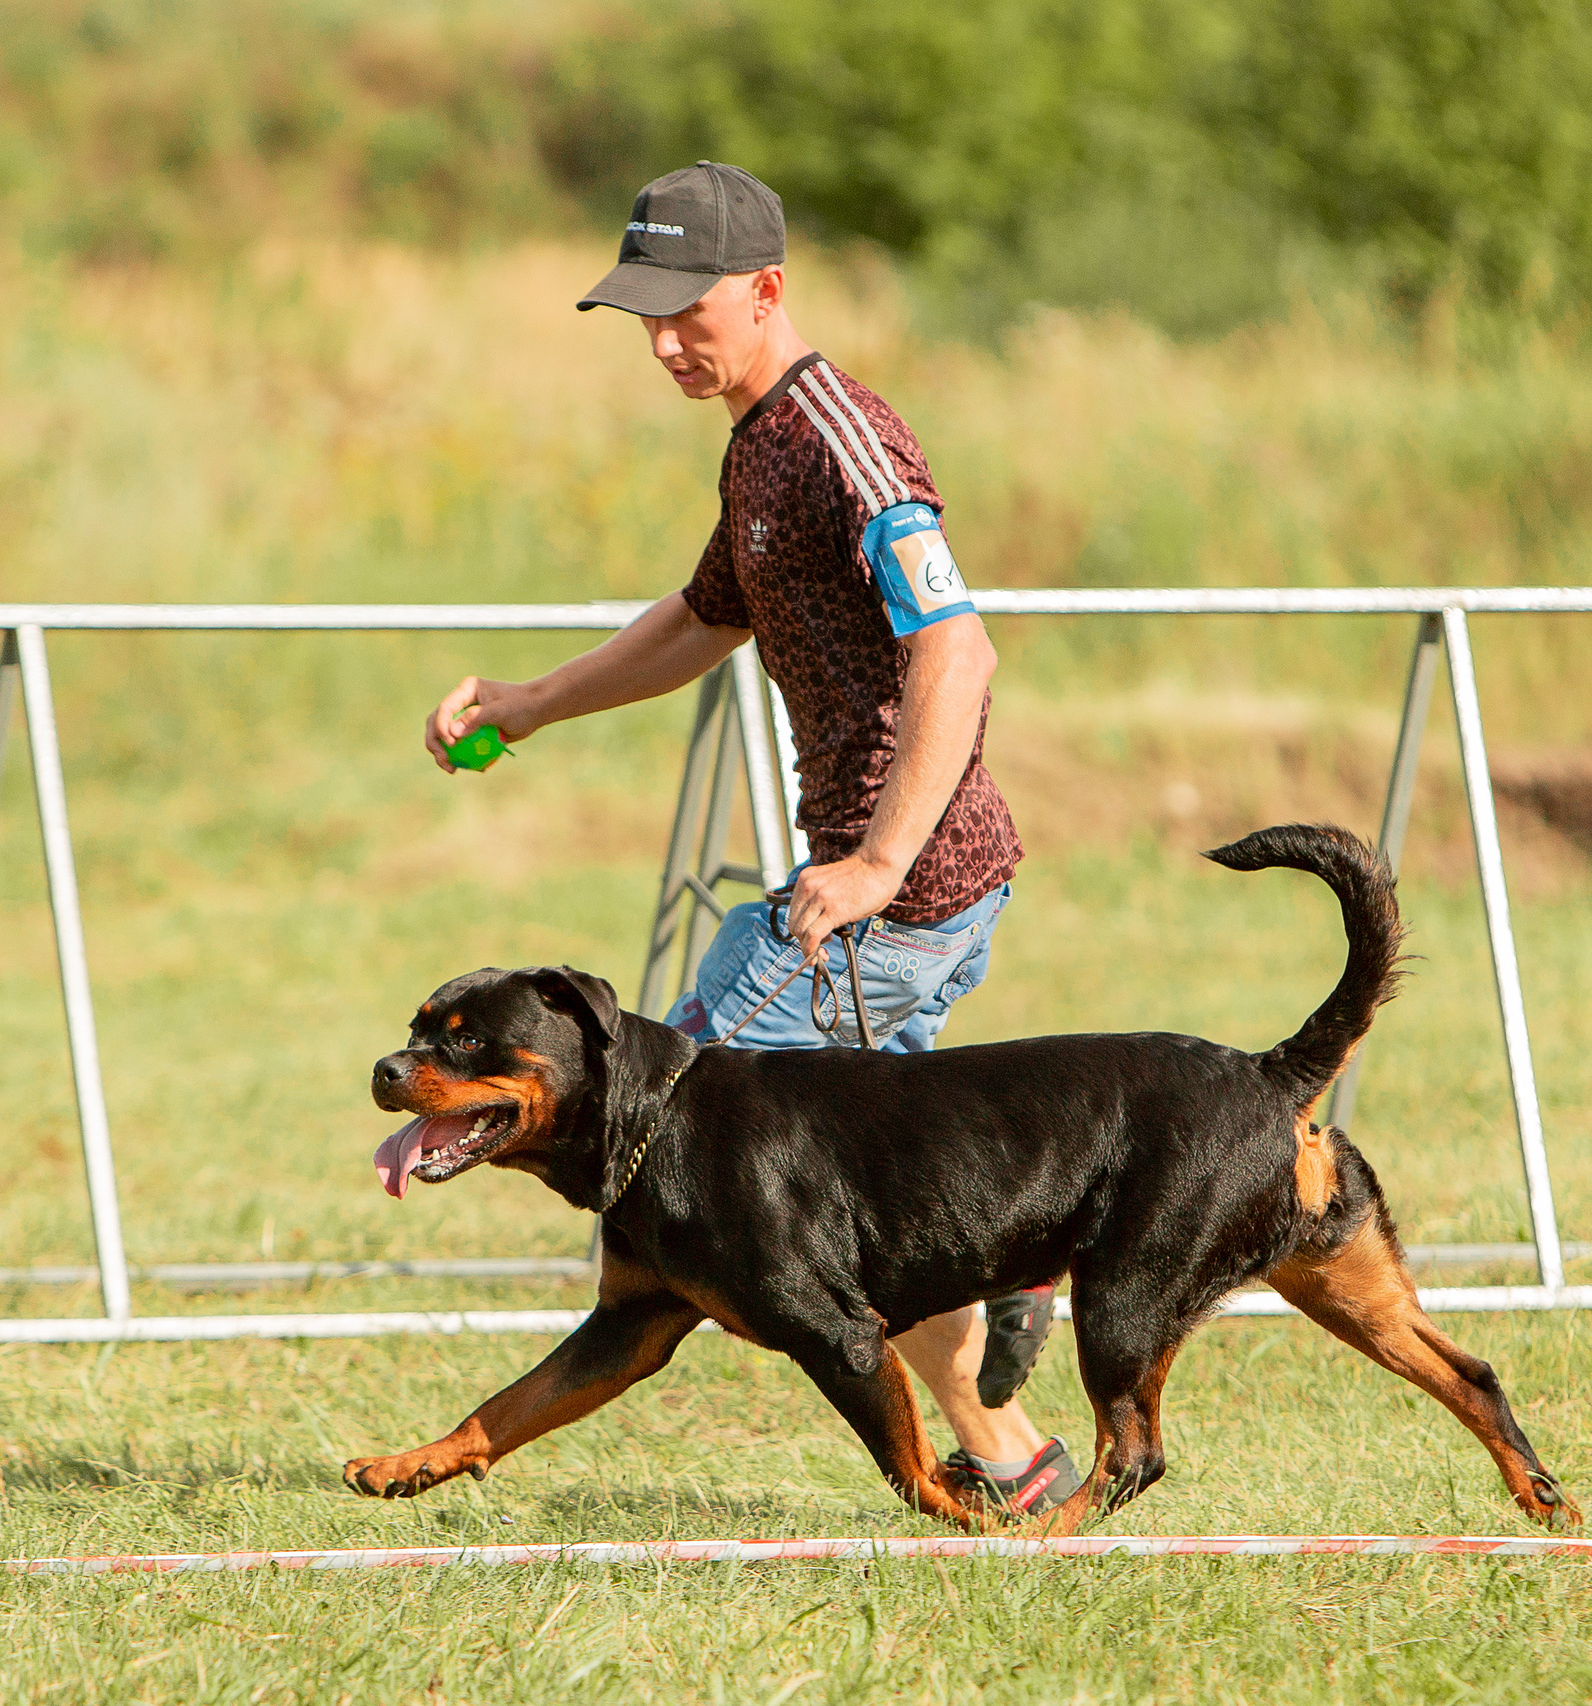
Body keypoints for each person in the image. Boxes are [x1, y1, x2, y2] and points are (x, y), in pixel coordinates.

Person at [420, 161, 1075, 1519]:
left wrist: (882, 860)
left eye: (688, 311)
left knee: (679, 1137)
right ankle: (1012, 1446)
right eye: (641, 317)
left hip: (892, 897)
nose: (664, 342)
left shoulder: (846, 440)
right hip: (874, 891)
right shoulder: (758, 440)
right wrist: (531, 704)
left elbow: (958, 650)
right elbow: (705, 615)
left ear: (768, 289)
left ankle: (1015, 1257)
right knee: (871, 1205)